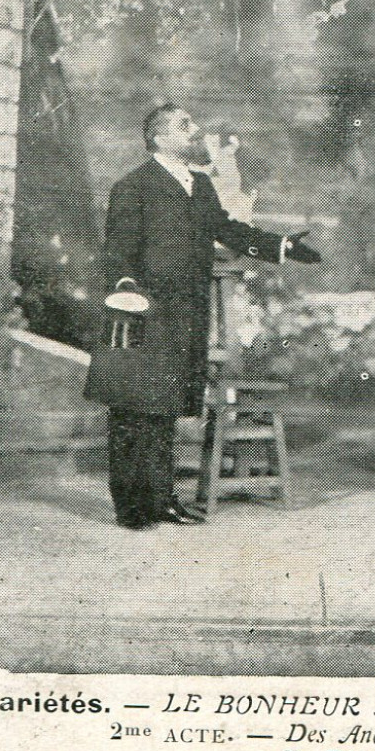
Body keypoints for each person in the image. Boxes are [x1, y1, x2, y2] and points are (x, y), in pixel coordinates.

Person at [83, 101, 322, 530]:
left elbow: (229, 231)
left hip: (186, 315)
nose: (193, 131)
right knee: (133, 410)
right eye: (183, 125)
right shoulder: (132, 187)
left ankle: (163, 501)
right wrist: (124, 288)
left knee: (167, 408)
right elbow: (117, 251)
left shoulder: (200, 185)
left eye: (191, 124)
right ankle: (133, 508)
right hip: (141, 314)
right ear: (158, 137)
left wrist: (280, 247)